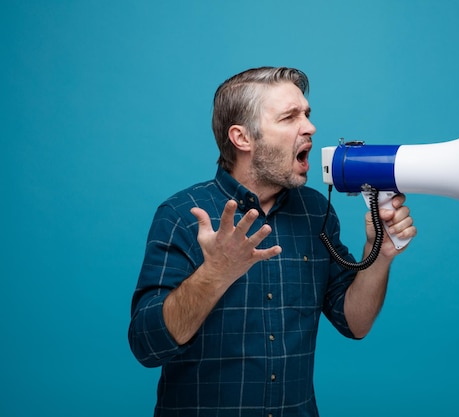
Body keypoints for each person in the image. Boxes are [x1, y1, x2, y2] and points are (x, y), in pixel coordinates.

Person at [128, 66, 417, 417]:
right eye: (289, 117)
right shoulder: (181, 215)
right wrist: (216, 273)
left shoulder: (314, 211)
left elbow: (354, 322)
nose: (309, 127)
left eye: (307, 114)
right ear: (243, 138)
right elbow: (147, 346)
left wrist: (381, 253)